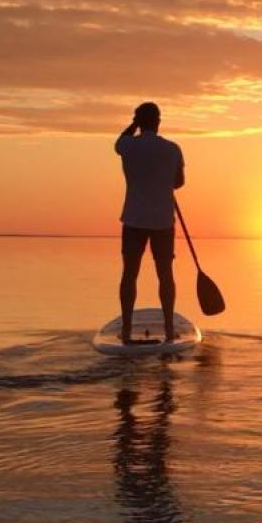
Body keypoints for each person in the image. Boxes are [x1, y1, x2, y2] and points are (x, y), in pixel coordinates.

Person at [115, 102, 184, 343]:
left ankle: (126, 330)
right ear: (158, 122)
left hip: (134, 219)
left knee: (129, 274)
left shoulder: (127, 145)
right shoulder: (173, 149)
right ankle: (167, 329)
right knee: (165, 275)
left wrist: (134, 123)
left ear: (138, 122)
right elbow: (179, 182)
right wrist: (163, 181)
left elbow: (118, 142)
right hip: (163, 221)